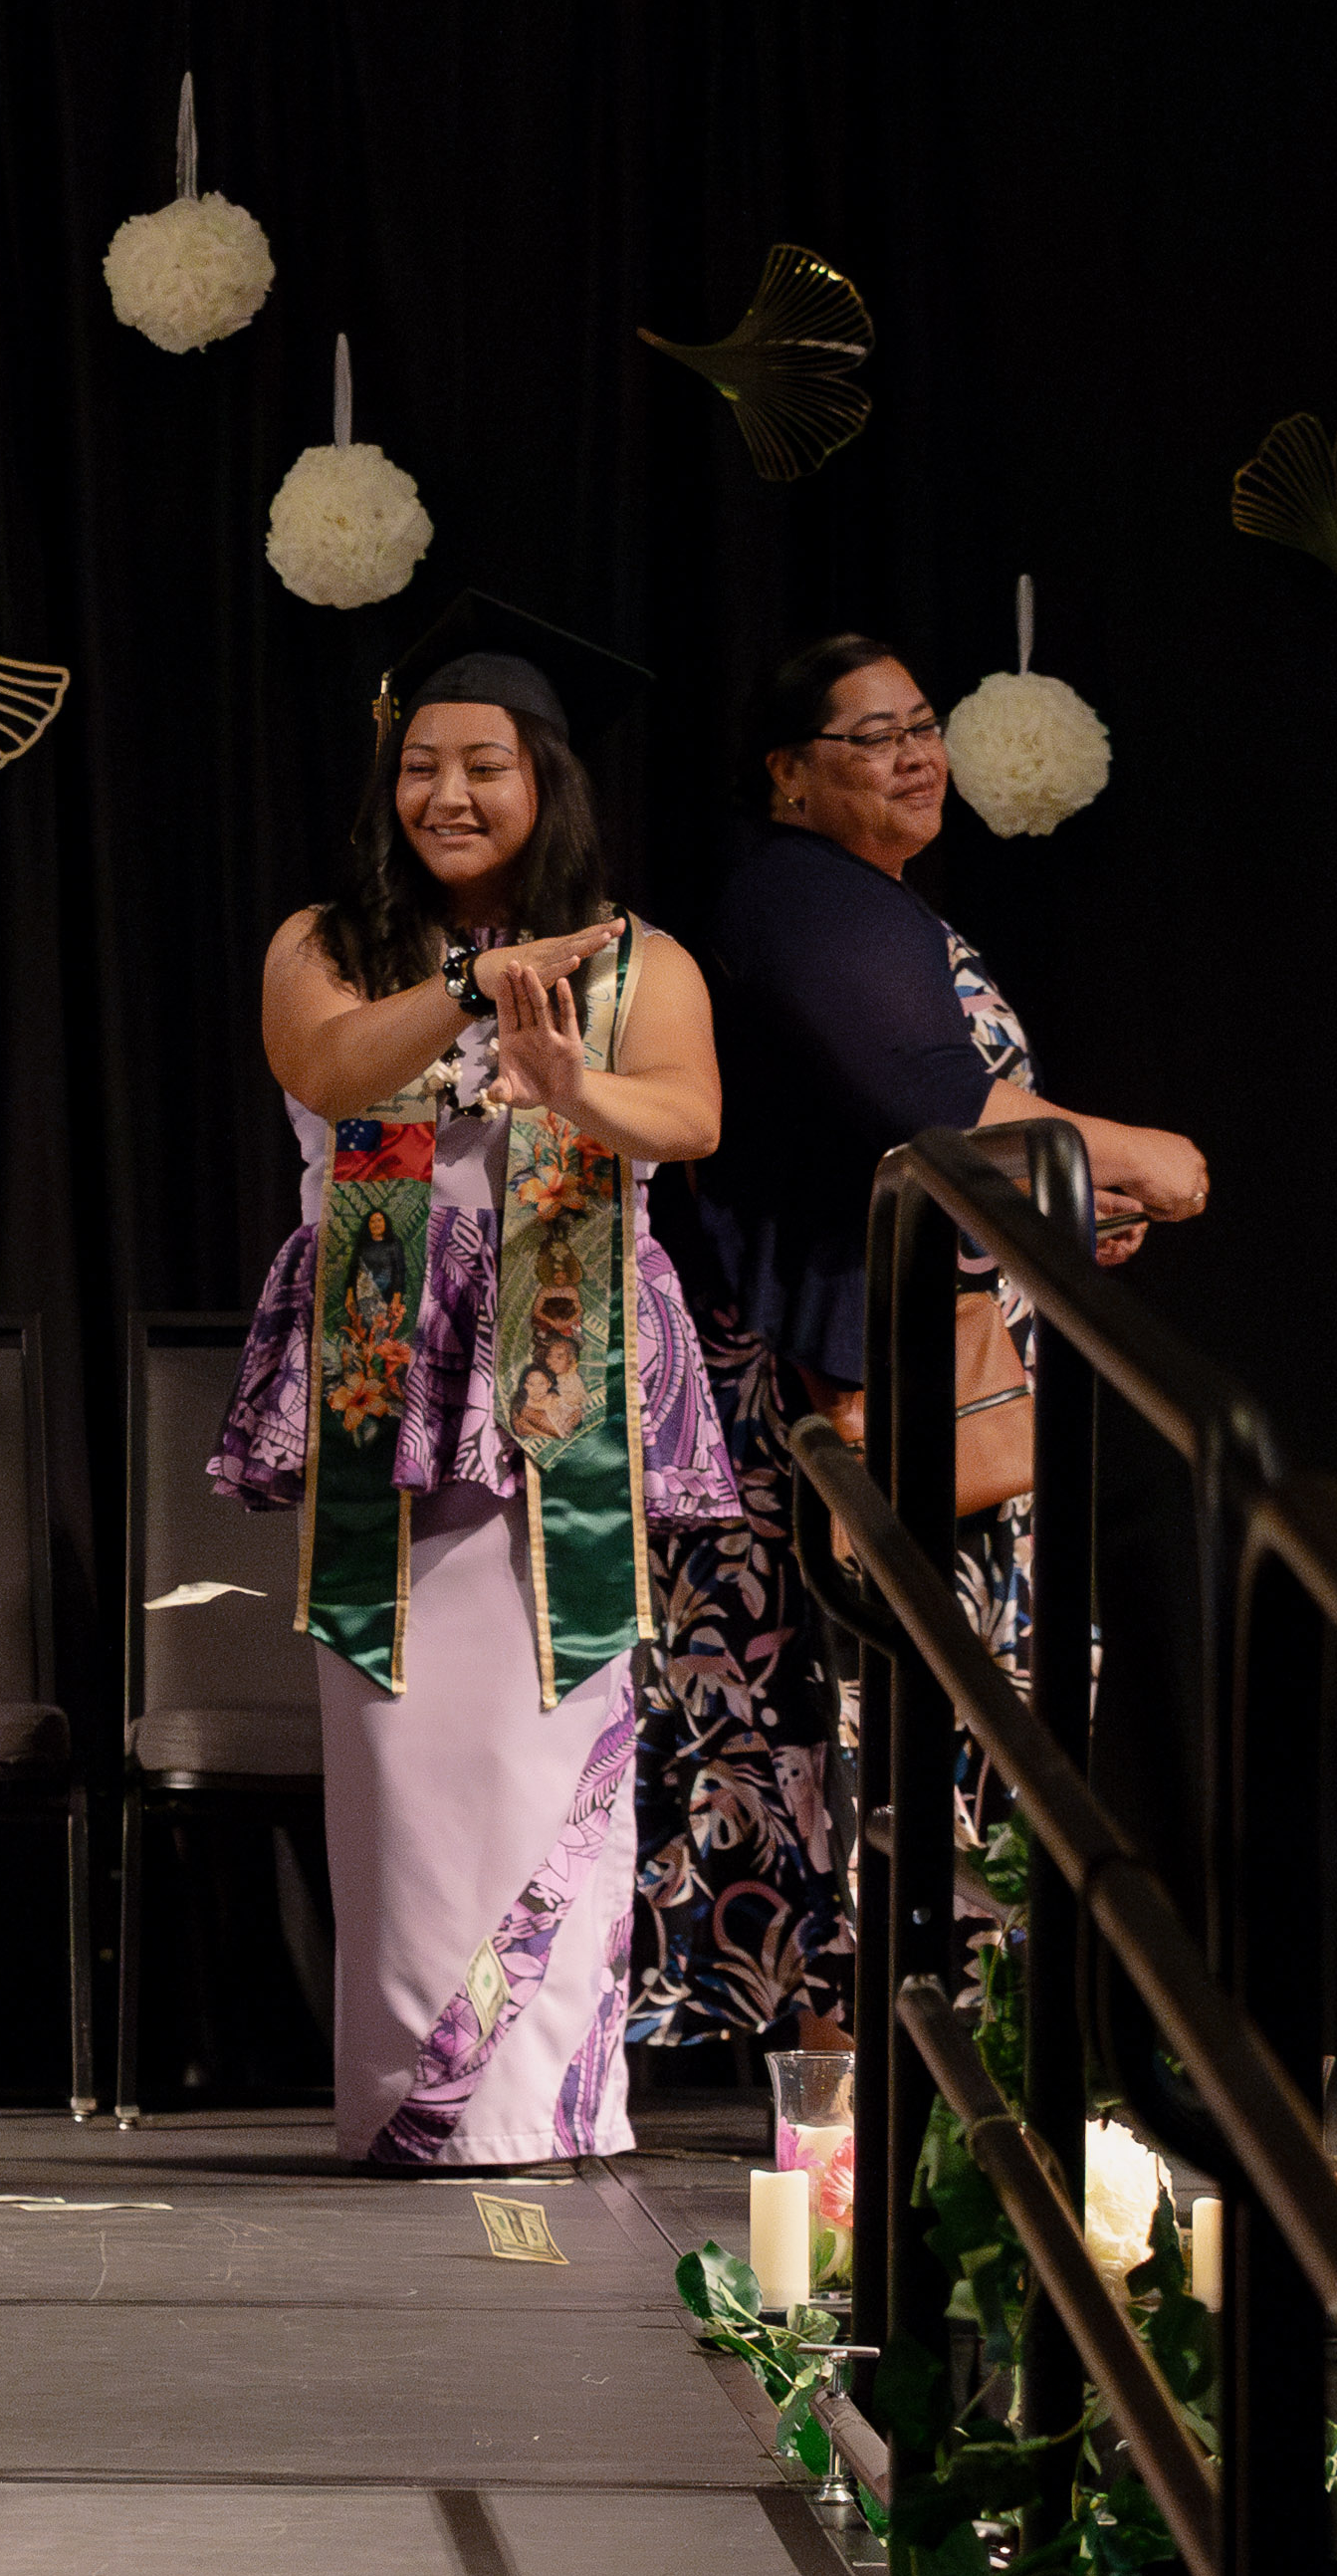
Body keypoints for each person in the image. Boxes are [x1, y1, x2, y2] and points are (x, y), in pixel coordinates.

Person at [638, 635, 1211, 2054]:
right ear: (788, 774)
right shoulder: (801, 896)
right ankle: (852, 2069)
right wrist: (1146, 1155)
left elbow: (898, 1139)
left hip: (923, 1360)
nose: (913, 756)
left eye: (921, 726)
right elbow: (931, 1106)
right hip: (833, 1383)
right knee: (840, 1706)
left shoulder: (860, 899)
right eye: (871, 736)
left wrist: (1060, 1208)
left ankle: (921, 2049)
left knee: (931, 1708)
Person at [217, 593, 732, 2168]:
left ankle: (538, 2103)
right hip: (389, 1365)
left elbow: (689, 1118)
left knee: (542, 1726)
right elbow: (324, 1068)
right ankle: (412, 2100)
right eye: (418, 765)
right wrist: (471, 983)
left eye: (482, 765)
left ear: (543, 781)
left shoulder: (639, 960)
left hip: (556, 1367)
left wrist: (573, 1080)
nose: (444, 793)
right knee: (398, 1753)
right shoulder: (325, 944)